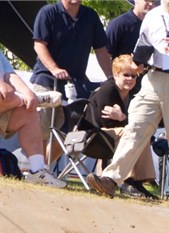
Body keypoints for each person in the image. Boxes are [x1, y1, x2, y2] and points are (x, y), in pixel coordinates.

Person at [86, 0, 169, 209]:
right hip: (152, 78)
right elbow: (142, 46)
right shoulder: (153, 16)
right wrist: (137, 63)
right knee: (135, 127)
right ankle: (111, 179)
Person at [0, 0, 65, 187]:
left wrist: (27, 92)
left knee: (29, 111)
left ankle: (37, 171)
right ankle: (28, 99)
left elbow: (10, 74)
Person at [30, 0, 112, 155]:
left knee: (69, 133)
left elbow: (101, 50)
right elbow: (39, 44)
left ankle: (44, 166)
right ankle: (36, 166)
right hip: (47, 80)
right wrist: (54, 69)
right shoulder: (48, 12)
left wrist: (111, 78)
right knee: (41, 129)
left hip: (75, 84)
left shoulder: (90, 16)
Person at [85, 54, 157, 200]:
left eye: (134, 76)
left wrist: (122, 117)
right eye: (126, 75)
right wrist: (125, 119)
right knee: (132, 132)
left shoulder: (135, 94)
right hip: (94, 135)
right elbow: (107, 123)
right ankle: (127, 181)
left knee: (141, 133)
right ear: (116, 74)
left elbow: (133, 122)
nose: (130, 79)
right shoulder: (107, 90)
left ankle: (137, 182)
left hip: (116, 133)